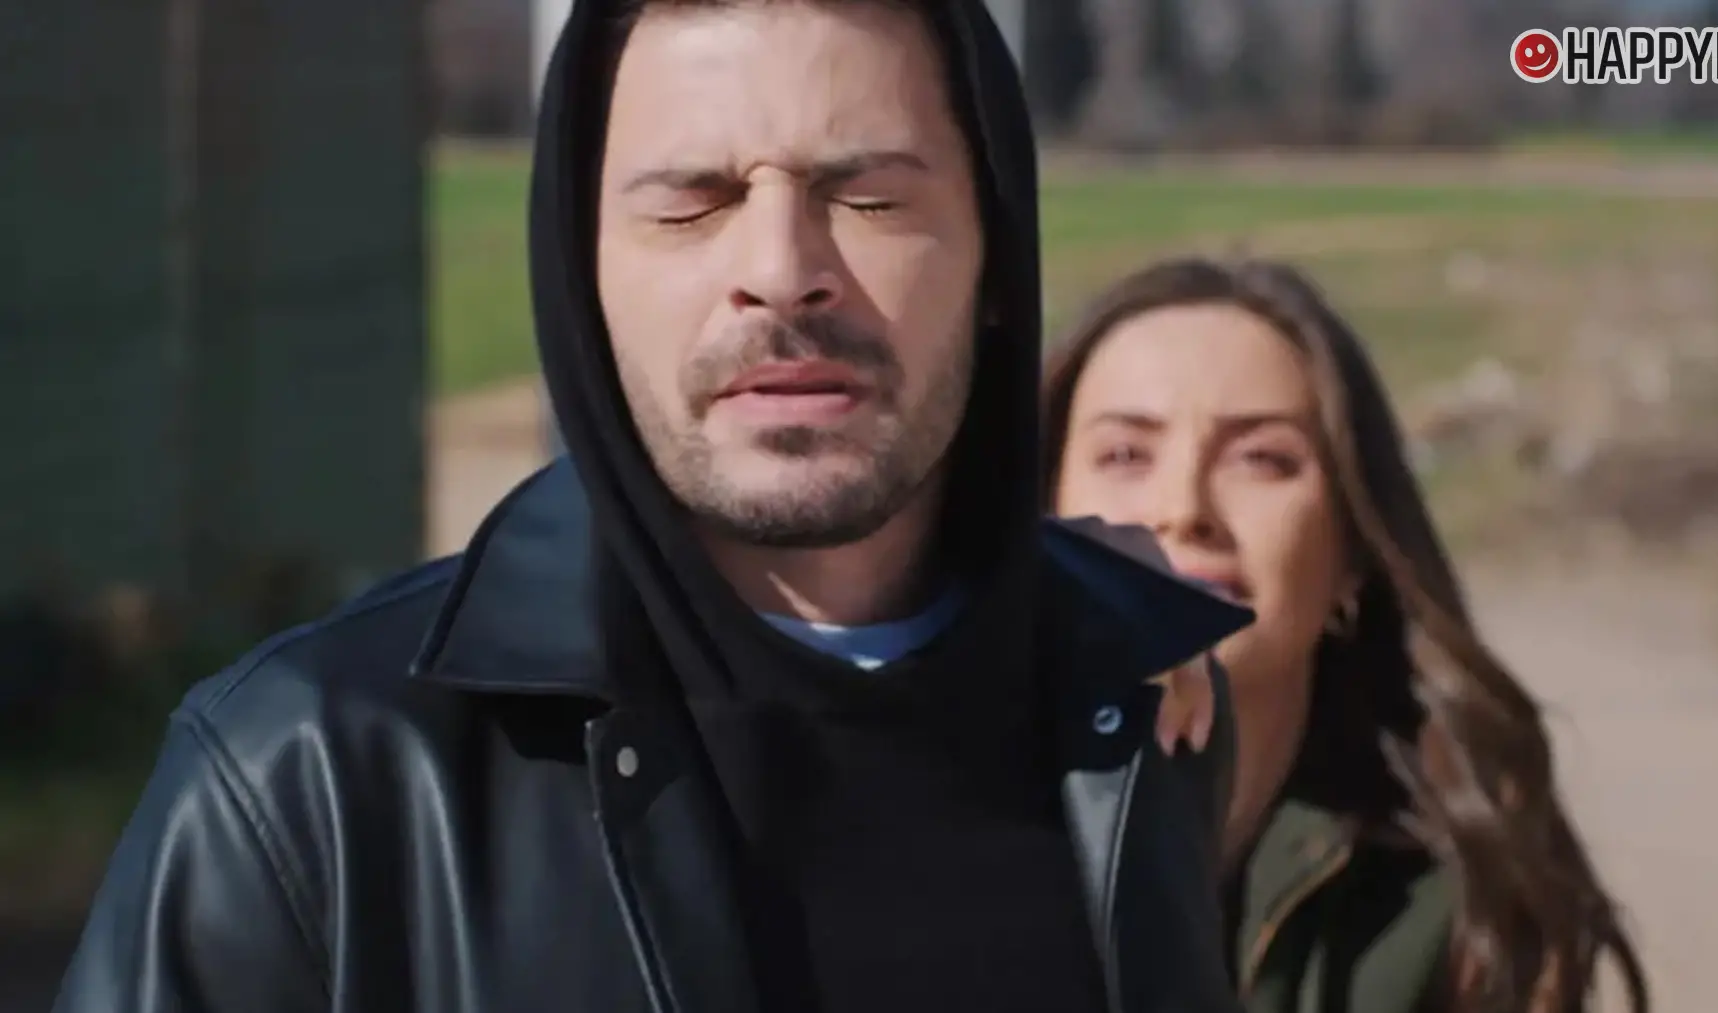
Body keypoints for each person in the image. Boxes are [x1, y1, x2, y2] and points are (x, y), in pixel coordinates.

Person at [53, 4, 1253, 1012]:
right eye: (691, 202)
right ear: (583, 271)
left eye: (871, 198)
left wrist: (1110, 614)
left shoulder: (1138, 711)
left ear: (997, 256)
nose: (780, 272)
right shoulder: (311, 778)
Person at [1043, 257, 1651, 1013]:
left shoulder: (1453, 911)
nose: (1183, 507)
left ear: (1351, 555)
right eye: (1125, 454)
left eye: (1261, 459)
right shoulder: (942, 841)